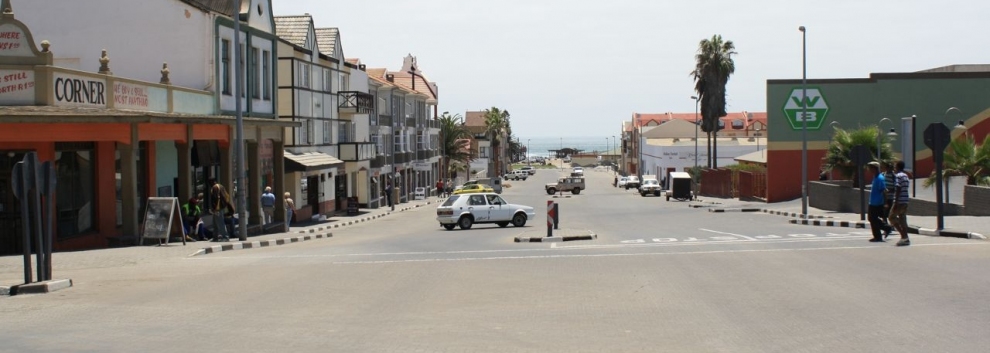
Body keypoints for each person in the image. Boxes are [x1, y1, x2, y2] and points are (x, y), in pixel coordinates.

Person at [889, 161, 911, 246]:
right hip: (905, 200)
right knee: (902, 218)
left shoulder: (897, 176)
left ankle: (903, 236)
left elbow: (898, 188)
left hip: (899, 201)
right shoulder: (906, 175)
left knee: (891, 217)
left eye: (895, 167)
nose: (894, 169)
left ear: (897, 167)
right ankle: (906, 238)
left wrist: (896, 202)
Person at [866, 162, 887, 243]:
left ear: (874, 168)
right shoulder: (875, 177)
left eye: (870, 168)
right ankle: (877, 236)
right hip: (872, 202)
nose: (869, 170)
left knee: (873, 218)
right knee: (871, 219)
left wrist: (885, 203)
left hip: (877, 202)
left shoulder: (880, 178)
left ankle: (886, 228)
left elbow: (884, 191)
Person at [881, 162, 897, 238]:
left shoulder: (893, 175)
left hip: (891, 198)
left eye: (891, 167)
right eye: (889, 167)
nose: (890, 169)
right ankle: (886, 227)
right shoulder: (883, 175)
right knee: (884, 214)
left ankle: (892, 226)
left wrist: (889, 190)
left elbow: (895, 186)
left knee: (891, 213)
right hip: (884, 198)